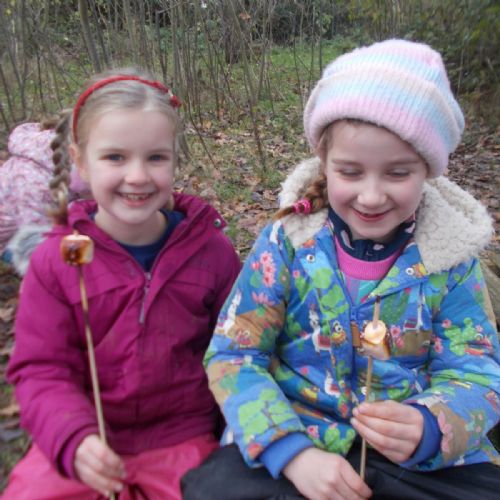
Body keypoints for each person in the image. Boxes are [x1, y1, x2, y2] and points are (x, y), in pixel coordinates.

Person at [181, 39, 500, 500]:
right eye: (350, 172)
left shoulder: (450, 261)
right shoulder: (287, 242)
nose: (371, 196)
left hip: (412, 460)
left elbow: (478, 374)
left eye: (397, 173)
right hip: (296, 438)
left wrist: (431, 425)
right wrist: (291, 453)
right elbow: (233, 355)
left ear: (428, 169)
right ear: (325, 164)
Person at [4, 68, 241, 499]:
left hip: (182, 438)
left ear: (174, 159)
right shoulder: (55, 261)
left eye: (156, 158)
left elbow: (241, 350)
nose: (137, 176)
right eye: (115, 157)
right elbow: (41, 368)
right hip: (87, 438)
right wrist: (73, 439)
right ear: (80, 161)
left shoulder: (212, 253)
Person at [0, 118, 89, 274]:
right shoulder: (30, 186)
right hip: (16, 239)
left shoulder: (51, 152)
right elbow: (37, 242)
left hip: (45, 217)